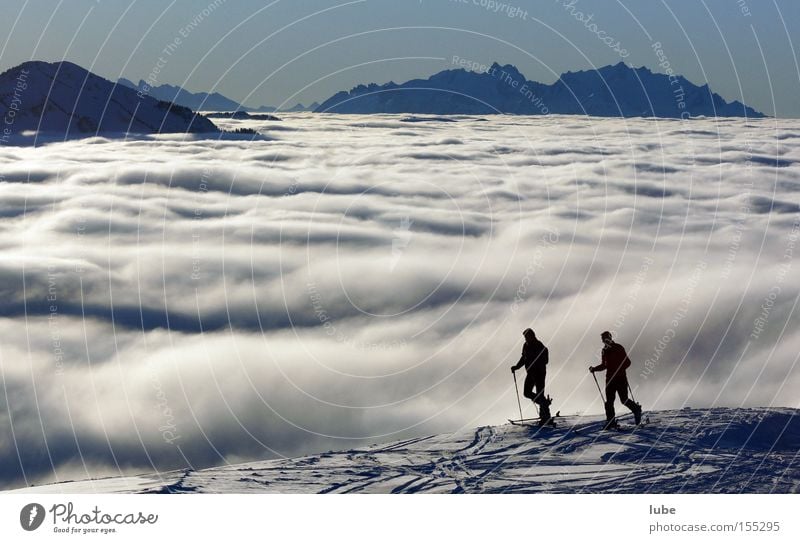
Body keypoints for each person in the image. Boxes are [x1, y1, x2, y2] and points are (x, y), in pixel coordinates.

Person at [589, 331, 642, 429]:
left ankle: (636, 409)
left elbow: (627, 362)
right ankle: (611, 422)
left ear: (610, 338)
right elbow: (604, 365)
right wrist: (594, 369)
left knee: (624, 400)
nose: (605, 341)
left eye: (606, 339)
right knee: (609, 401)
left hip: (620, 378)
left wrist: (620, 369)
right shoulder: (604, 351)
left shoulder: (618, 348)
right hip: (610, 379)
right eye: (603, 340)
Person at [511, 328, 552, 424]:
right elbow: (523, 358)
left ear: (532, 336)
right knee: (527, 392)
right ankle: (544, 405)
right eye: (525, 337)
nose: (525, 338)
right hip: (531, 373)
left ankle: (546, 417)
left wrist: (537, 365)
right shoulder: (526, 345)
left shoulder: (539, 345)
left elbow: (545, 360)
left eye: (527, 336)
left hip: (539, 373)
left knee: (539, 393)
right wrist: (517, 367)